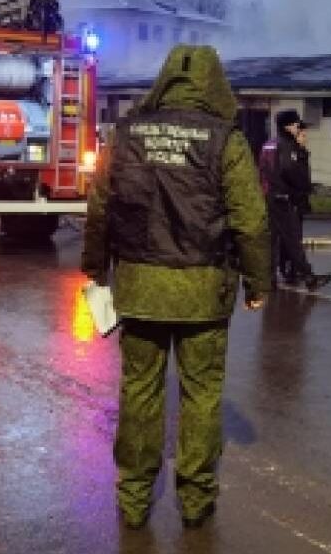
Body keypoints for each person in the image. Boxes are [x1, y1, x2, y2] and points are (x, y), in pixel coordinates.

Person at [81, 45, 271, 531]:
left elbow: (100, 207)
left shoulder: (125, 135)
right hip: (203, 292)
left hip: (140, 288)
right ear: (213, 83)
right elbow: (251, 220)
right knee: (201, 394)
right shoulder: (225, 140)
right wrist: (258, 281)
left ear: (165, 80)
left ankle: (133, 497)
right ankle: (195, 500)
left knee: (140, 391)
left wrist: (96, 268)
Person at [259, 110, 331, 290]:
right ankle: (309, 278)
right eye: (295, 124)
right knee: (292, 239)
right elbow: (290, 170)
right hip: (282, 198)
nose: (297, 127)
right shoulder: (287, 145)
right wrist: (302, 188)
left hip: (268, 196)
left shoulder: (269, 144)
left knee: (273, 240)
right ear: (287, 126)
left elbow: (262, 170)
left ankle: (269, 279)